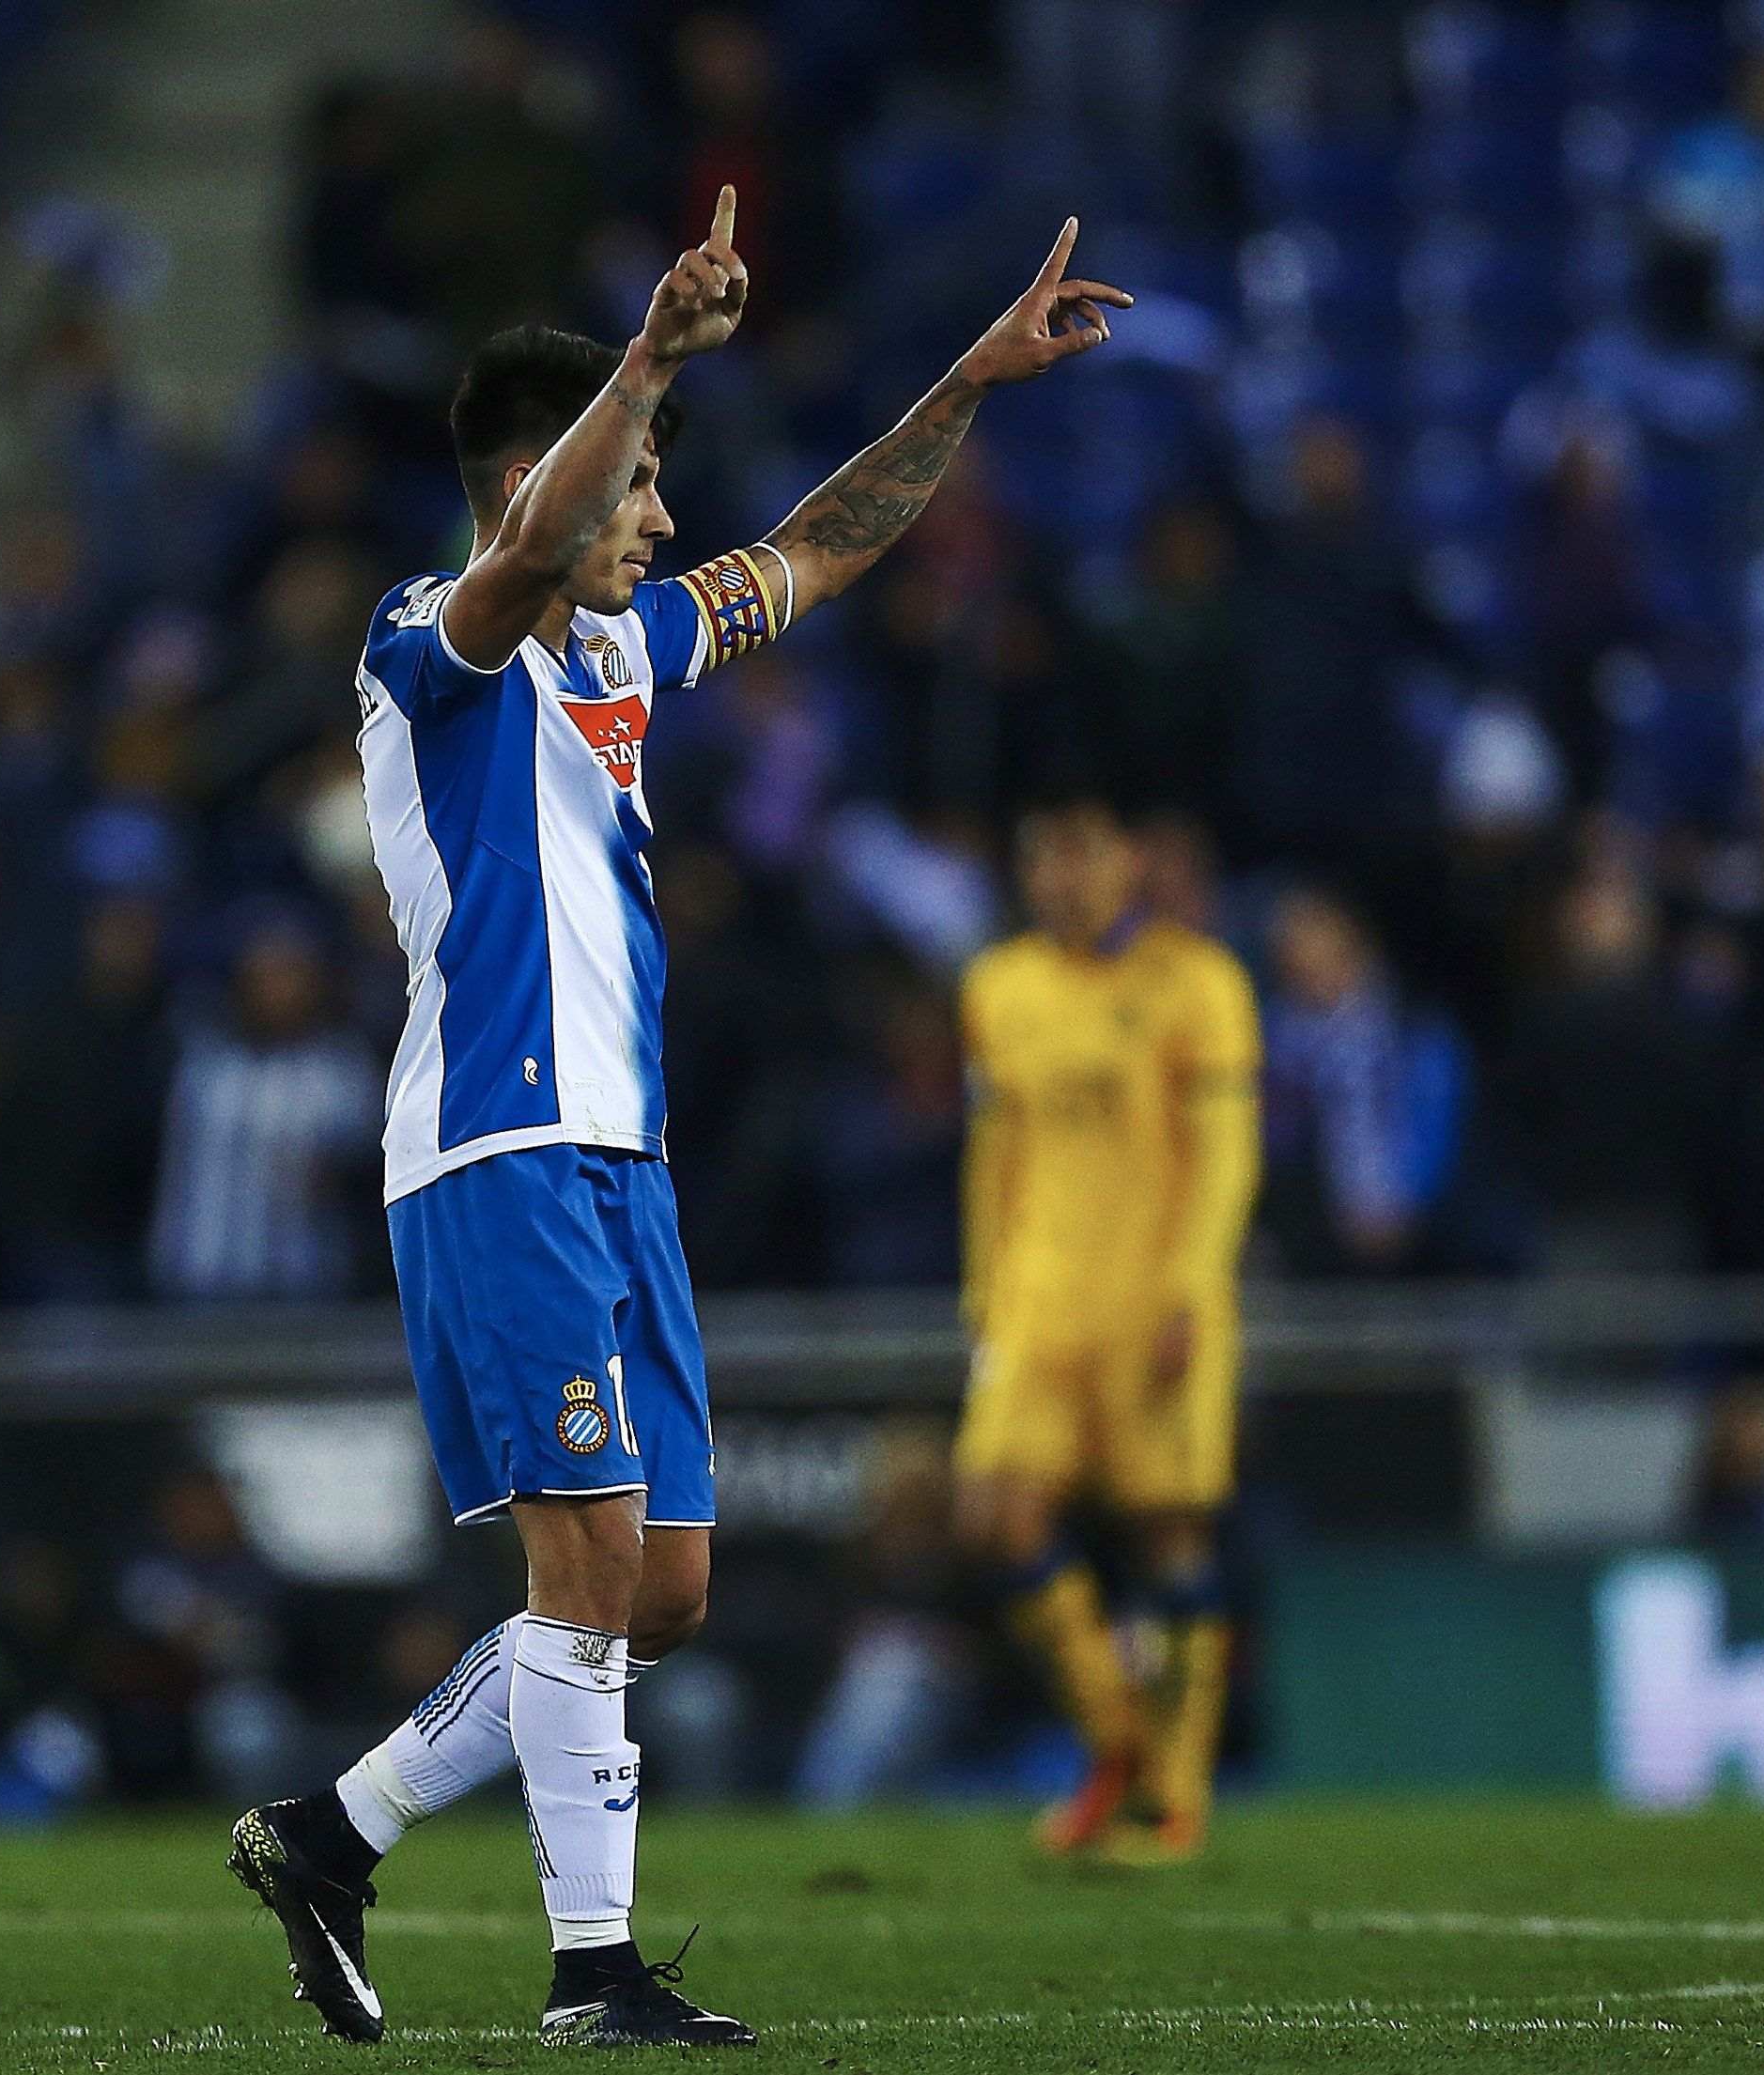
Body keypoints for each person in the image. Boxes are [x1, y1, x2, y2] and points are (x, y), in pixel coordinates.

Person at [228, 188, 1130, 2047]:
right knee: (582, 1568)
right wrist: (641, 361)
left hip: (624, 1163)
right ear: (540, 485)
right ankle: (595, 1973)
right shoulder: (431, 644)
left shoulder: (632, 652)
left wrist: (968, 378)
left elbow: (818, 545)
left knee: (671, 1589)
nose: (659, 518)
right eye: (639, 485)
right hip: (500, 1146)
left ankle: (338, 1828)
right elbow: (530, 547)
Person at [956, 789, 1261, 1866]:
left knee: (1167, 1528)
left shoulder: (1198, 984)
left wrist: (1191, 1288)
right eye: (1044, 855)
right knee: (998, 1512)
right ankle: (1120, 1744)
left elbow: (1224, 1159)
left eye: (1083, 851)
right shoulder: (1000, 987)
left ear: (1129, 856)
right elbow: (996, 1152)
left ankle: (1171, 1799)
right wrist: (985, 1290)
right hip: (1039, 1300)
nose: (1061, 876)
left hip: (1153, 1298)